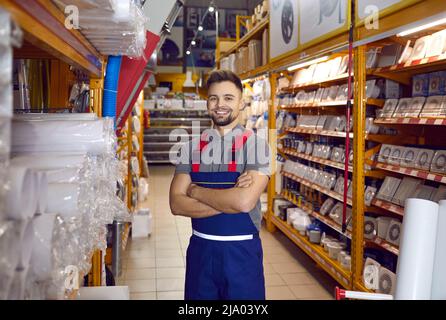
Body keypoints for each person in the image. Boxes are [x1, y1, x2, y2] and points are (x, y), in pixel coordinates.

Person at [169, 70, 271, 300]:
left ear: (241, 103)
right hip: (200, 254)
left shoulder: (257, 147)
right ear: (207, 103)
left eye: (228, 98)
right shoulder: (190, 148)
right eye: (214, 98)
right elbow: (176, 203)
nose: (220, 104)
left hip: (242, 255)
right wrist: (229, 200)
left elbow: (244, 202)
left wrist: (194, 191)